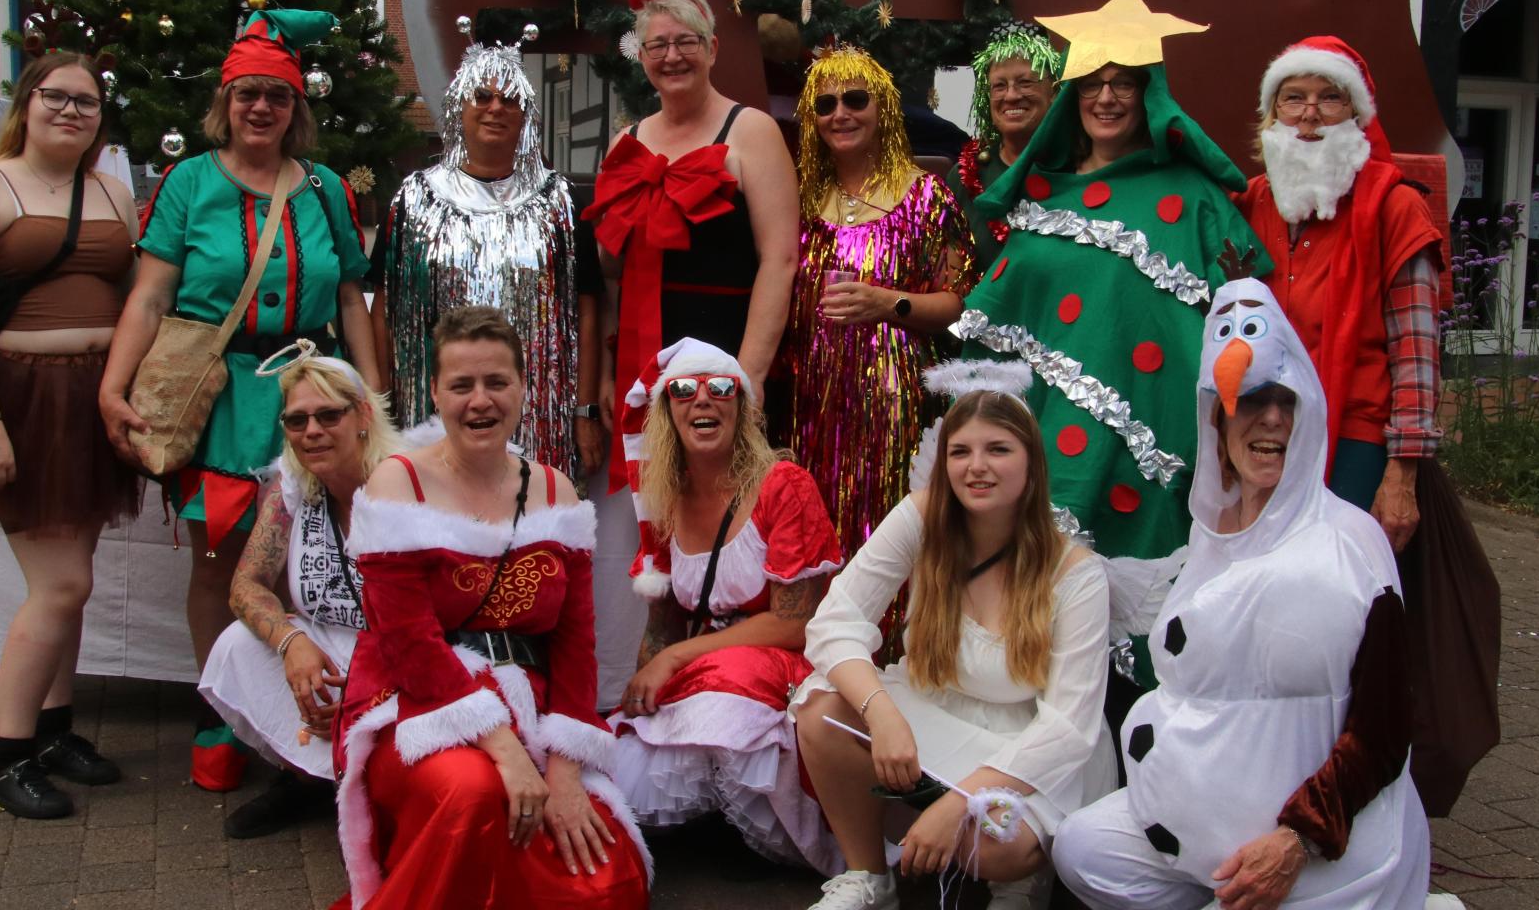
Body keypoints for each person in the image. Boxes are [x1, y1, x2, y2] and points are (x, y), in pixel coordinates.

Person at [1052, 275, 1431, 910]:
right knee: (1083, 849)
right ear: (1218, 420)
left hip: (1313, 842)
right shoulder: (1206, 536)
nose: (1272, 419)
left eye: (1286, 401)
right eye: (1251, 401)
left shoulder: (1351, 542)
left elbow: (1385, 730)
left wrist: (1298, 839)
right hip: (1193, 826)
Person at [955, 0, 1266, 696]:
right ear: (1072, 96)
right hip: (1053, 441)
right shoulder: (1046, 198)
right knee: (1049, 591)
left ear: (1148, 93)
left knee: (1148, 602)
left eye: (1122, 84)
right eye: (1092, 85)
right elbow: (998, 326)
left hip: (1157, 437)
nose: (1106, 99)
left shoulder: (1193, 197)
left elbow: (1245, 317)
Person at [99, 9, 379, 792]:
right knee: (217, 565)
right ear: (226, 102)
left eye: (279, 98)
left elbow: (352, 298)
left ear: (298, 110)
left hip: (312, 397)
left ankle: (313, 719)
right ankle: (221, 713)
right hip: (222, 402)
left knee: (317, 560)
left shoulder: (323, 188)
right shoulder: (190, 182)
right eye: (249, 95)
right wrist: (112, 388)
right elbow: (151, 298)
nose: (263, 109)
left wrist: (375, 400)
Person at [332, 306, 651, 909]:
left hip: (532, 706)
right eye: (461, 385)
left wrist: (562, 768)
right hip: (416, 704)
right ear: (434, 392)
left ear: (524, 388)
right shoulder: (397, 485)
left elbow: (575, 643)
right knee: (478, 793)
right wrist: (506, 752)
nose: (480, 401)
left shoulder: (555, 489)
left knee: (608, 873)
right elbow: (408, 644)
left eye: (497, 382)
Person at [0, 51, 142, 819]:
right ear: (27, 102)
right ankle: (8, 758)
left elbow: (133, 295)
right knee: (61, 583)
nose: (73, 111)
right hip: (19, 399)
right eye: (58, 97)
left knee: (75, 575)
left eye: (88, 102)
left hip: (92, 399)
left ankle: (53, 731)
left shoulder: (111, 190)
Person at [792, 386, 1115, 910]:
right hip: (935, 708)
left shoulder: (1076, 572)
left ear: (1032, 463)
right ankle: (869, 878)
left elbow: (1068, 726)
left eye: (999, 450)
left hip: (1024, 743)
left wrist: (961, 803)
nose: (976, 467)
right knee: (821, 710)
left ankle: (1021, 879)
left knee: (997, 849)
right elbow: (834, 622)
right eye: (960, 451)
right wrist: (882, 716)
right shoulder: (922, 517)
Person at [607, 338, 842, 873]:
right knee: (621, 755)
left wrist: (675, 660)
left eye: (720, 389)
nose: (703, 400)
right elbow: (664, 624)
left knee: (731, 675)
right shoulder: (666, 499)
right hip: (705, 661)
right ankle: (711, 809)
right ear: (668, 411)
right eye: (685, 391)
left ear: (742, 407)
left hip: (784, 665)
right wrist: (641, 691)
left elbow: (793, 624)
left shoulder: (783, 485)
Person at [587, 0, 799, 483]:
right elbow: (612, 268)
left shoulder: (751, 131)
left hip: (725, 347)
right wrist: (609, 371)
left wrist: (748, 372)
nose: (672, 56)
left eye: (686, 42)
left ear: (713, 48)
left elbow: (781, 258)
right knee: (652, 500)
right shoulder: (625, 143)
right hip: (645, 353)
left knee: (724, 500)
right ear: (641, 58)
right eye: (657, 46)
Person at [1236, 38, 1443, 552]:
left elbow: (1416, 353)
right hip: (1256, 432)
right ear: (1272, 115)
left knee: (1335, 588)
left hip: (1354, 435)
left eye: (1330, 98)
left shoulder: (1395, 208)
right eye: (1293, 98)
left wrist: (1403, 473)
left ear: (1356, 115)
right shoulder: (1248, 202)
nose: (1309, 116)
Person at [199, 341, 405, 838]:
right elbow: (245, 585)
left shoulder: (404, 482)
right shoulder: (292, 486)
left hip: (404, 655)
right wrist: (293, 644)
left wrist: (364, 686)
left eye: (328, 415)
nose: (311, 432)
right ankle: (306, 779)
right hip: (327, 646)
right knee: (238, 644)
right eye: (297, 421)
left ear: (361, 415)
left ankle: (370, 788)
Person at [369, 21, 594, 474]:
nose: (496, 109)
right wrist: (382, 403)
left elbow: (587, 309)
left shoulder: (560, 202)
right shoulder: (415, 199)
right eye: (483, 97)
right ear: (459, 109)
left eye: (510, 100)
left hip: (537, 416)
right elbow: (385, 306)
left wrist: (583, 410)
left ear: (526, 115)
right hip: (433, 412)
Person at [787, 45, 976, 556]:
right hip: (812, 403)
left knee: (896, 535)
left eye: (854, 99)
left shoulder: (926, 198)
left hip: (898, 403)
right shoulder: (795, 197)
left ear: (883, 109)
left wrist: (888, 303)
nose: (840, 114)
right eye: (825, 106)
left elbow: (958, 305)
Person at [946, 21, 1066, 266]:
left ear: (1053, 92)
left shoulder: (1079, 168)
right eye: (999, 86)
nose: (1011, 96)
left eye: (1025, 83)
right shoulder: (965, 176)